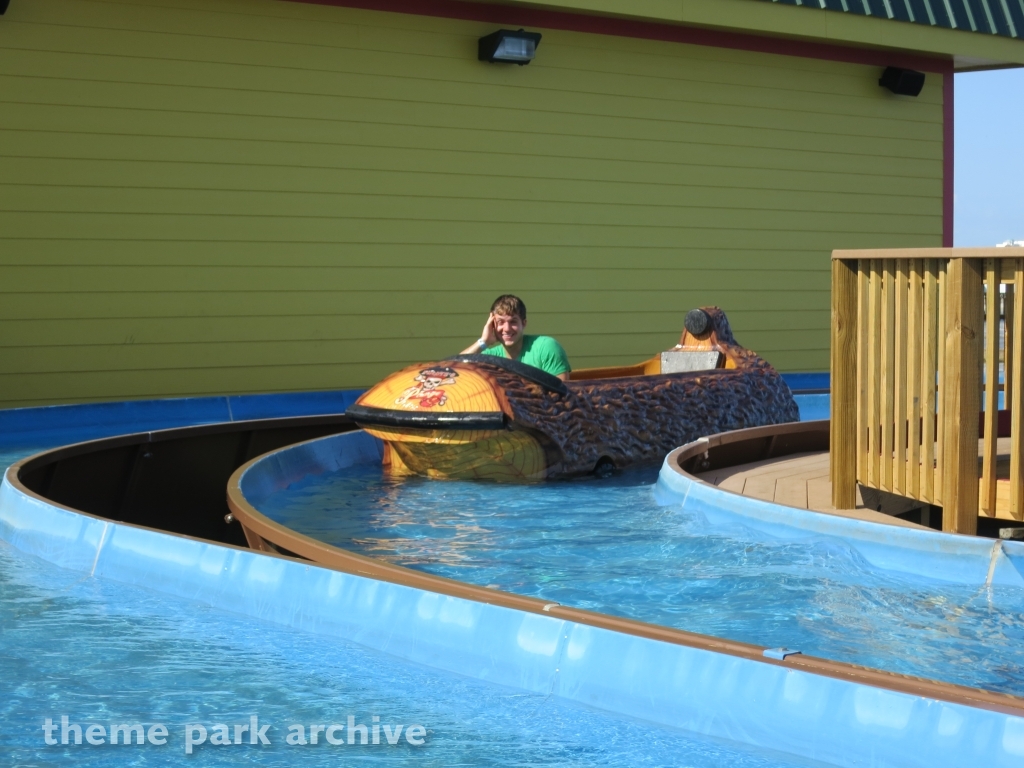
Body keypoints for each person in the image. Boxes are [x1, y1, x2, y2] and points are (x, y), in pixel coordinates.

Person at [460, 295, 571, 380]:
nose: (507, 328)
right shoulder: (490, 357)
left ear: (524, 324)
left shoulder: (546, 347)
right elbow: (456, 369)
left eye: (513, 322)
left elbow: (562, 399)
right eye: (500, 322)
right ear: (492, 325)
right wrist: (484, 341)